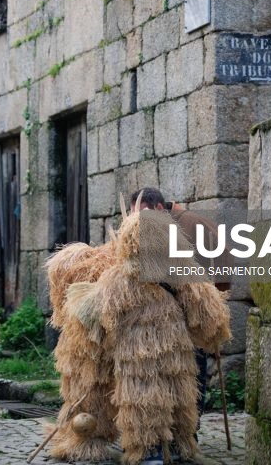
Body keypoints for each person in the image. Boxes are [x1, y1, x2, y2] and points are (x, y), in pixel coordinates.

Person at [45, 193, 231, 464]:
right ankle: (148, 449)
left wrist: (213, 328)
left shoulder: (178, 271)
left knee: (180, 399)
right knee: (144, 400)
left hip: (175, 354)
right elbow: (96, 313)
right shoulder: (122, 278)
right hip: (136, 357)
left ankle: (179, 444)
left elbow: (203, 305)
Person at [130, 187, 233, 427]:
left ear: (158, 207)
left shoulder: (194, 223)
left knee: (192, 372)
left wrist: (212, 297)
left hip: (191, 315)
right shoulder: (150, 227)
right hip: (159, 318)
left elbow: (225, 257)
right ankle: (165, 431)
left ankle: (188, 432)